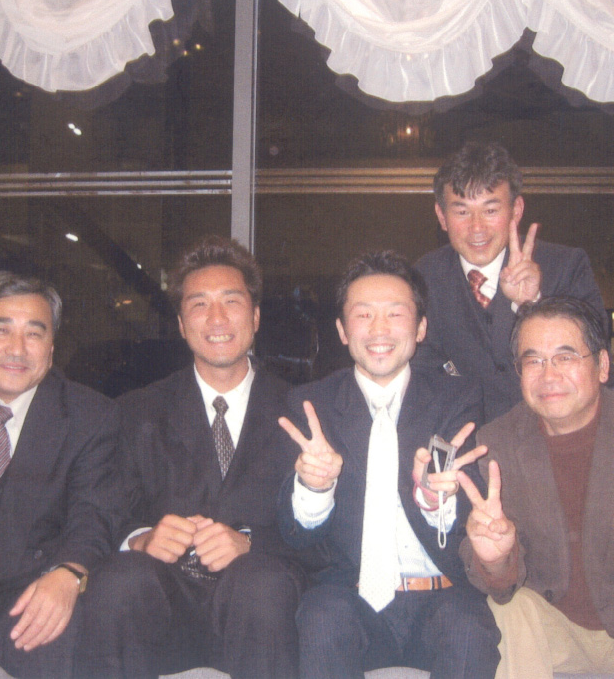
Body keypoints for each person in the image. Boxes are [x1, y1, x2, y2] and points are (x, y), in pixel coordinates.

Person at [79, 236, 304, 679]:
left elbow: (322, 533)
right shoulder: (137, 410)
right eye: (199, 305)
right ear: (181, 325)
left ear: (256, 317)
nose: (217, 318)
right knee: (119, 581)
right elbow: (107, 509)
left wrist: (251, 544)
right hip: (166, 601)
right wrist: (141, 538)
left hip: (261, 606)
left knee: (262, 584)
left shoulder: (300, 410)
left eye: (231, 302)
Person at [277, 250, 500, 679]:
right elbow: (295, 536)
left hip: (440, 595)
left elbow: (467, 515)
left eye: (395, 314)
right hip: (352, 598)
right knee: (321, 615)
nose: (379, 329)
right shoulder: (311, 404)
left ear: (421, 328)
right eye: (363, 315)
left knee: (469, 627)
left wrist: (434, 499)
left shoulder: (456, 398)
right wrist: (315, 488)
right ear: (342, 330)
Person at [0, 271, 121, 679]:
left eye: (34, 334)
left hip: (23, 596)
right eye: (1, 330)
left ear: (51, 350)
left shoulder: (90, 416)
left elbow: (94, 515)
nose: (17, 349)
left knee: (56, 641)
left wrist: (69, 572)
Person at [458, 296, 614, 678]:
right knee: (511, 610)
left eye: (565, 357)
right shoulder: (497, 444)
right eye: (534, 361)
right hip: (557, 630)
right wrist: (497, 559)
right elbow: (498, 580)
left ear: (602, 365)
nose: (549, 375)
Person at [414, 141, 607, 423]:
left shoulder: (566, 266)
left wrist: (532, 304)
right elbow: (422, 373)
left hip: (553, 431)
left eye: (491, 210)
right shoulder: (423, 277)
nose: (476, 227)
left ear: (516, 210)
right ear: (442, 216)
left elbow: (597, 357)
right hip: (466, 436)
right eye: (462, 212)